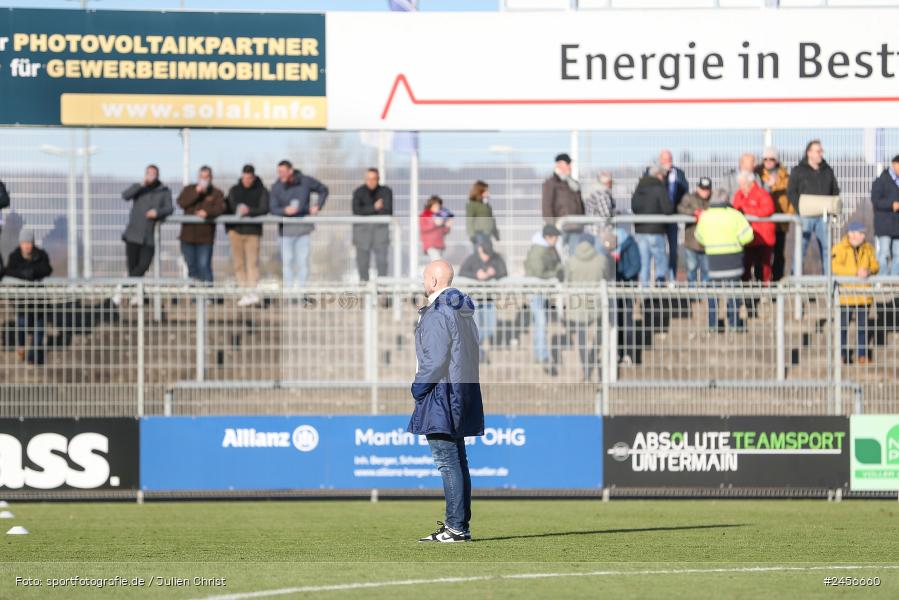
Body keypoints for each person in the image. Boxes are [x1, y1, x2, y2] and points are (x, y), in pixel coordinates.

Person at [411, 260, 484, 543]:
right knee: (458, 461)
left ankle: (455, 527)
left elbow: (435, 360)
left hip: (441, 394)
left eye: (424, 277)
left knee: (447, 462)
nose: (423, 282)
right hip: (460, 392)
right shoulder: (462, 311)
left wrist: (418, 389)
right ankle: (459, 526)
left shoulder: (439, 312)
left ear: (433, 281)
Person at [695, 190, 754, 331]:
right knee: (733, 294)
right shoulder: (735, 215)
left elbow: (699, 237)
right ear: (727, 200)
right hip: (733, 262)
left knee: (712, 295)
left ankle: (713, 325)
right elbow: (748, 236)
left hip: (713, 262)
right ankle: (734, 324)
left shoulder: (705, 216)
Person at [269, 159, 329, 289]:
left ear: (290, 171)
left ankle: (301, 292)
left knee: (303, 263)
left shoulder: (304, 181)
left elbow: (323, 189)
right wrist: (284, 210)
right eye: (279, 172)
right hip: (285, 232)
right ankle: (289, 294)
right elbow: (272, 208)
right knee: (287, 263)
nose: (281, 175)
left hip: (303, 230)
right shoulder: (276, 186)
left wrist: (317, 206)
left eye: (283, 172)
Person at [787, 140, 840, 275]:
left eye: (821, 151)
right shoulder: (799, 170)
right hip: (805, 216)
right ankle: (796, 282)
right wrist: (799, 208)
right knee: (801, 249)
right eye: (817, 151)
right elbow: (791, 192)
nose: (820, 154)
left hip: (823, 216)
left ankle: (828, 282)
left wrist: (831, 207)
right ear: (809, 153)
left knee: (827, 249)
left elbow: (835, 190)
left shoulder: (827, 170)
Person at [832, 221, 879, 364]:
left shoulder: (868, 248)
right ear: (851, 234)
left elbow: (875, 265)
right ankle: (842, 355)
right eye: (860, 233)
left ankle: (862, 355)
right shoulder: (839, 248)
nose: (863, 236)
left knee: (862, 328)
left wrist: (869, 271)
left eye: (863, 233)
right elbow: (836, 268)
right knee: (842, 328)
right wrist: (856, 273)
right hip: (846, 295)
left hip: (863, 295)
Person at [564, 239, 609, 382]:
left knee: (581, 338)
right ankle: (593, 359)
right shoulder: (601, 259)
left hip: (578, 303)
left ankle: (586, 369)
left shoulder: (571, 261)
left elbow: (567, 281)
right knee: (599, 333)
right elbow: (606, 277)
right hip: (596, 301)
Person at [6, 229, 52, 365]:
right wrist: (23, 274)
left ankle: (33, 357)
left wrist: (32, 272)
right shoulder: (14, 257)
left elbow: (47, 269)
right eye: (24, 243)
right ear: (20, 243)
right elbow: (9, 271)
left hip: (39, 300)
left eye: (29, 243)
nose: (27, 246)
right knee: (21, 324)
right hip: (22, 300)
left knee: (39, 328)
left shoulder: (40, 255)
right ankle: (21, 346)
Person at [225, 164, 269, 306]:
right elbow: (229, 207)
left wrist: (249, 211)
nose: (247, 180)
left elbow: (264, 208)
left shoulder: (261, 190)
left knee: (252, 264)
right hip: (236, 231)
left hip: (253, 232)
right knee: (238, 264)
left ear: (253, 177)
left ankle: (252, 293)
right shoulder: (234, 190)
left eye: (249, 178)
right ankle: (244, 293)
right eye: (245, 177)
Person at [459, 238, 507, 363]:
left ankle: (474, 347)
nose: (486, 257)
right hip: (474, 299)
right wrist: (476, 275)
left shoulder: (496, 258)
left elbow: (504, 272)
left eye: (488, 254)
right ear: (479, 249)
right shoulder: (472, 259)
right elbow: (462, 273)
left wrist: (494, 273)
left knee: (490, 329)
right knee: (476, 328)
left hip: (489, 300)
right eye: (485, 254)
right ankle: (478, 355)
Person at [524, 224, 563, 375]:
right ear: (548, 237)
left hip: (541, 291)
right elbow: (539, 272)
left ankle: (539, 354)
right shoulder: (539, 251)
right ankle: (543, 356)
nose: (556, 240)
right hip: (536, 291)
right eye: (555, 237)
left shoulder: (547, 249)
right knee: (541, 322)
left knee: (540, 322)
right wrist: (555, 273)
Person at [121, 164, 173, 278]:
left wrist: (157, 212)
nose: (151, 176)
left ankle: (125, 286)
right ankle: (137, 294)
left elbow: (169, 208)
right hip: (133, 235)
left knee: (144, 265)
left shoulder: (164, 191)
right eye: (148, 173)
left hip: (149, 237)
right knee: (133, 268)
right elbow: (125, 196)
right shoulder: (139, 188)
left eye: (153, 174)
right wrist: (140, 185)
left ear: (158, 175)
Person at [177, 165, 225, 284]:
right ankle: (195, 297)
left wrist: (207, 213)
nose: (204, 179)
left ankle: (208, 296)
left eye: (207, 177)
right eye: (202, 177)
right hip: (187, 236)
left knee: (204, 266)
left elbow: (221, 208)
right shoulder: (189, 189)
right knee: (192, 268)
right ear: (198, 177)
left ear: (211, 177)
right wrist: (196, 193)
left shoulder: (216, 193)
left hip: (205, 238)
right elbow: (181, 202)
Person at [756, 147, 793, 281]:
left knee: (778, 255)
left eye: (771, 159)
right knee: (761, 256)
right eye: (765, 159)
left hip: (780, 222)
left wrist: (789, 214)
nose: (768, 161)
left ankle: (777, 284)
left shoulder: (785, 176)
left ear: (776, 160)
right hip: (763, 222)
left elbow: (790, 198)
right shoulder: (757, 174)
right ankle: (761, 284)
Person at [732, 171, 776, 284]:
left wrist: (746, 211)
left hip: (763, 237)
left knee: (763, 268)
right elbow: (736, 210)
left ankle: (765, 292)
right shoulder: (739, 194)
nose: (741, 186)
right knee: (745, 267)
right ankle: (747, 294)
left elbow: (768, 209)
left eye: (743, 184)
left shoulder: (762, 194)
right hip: (747, 237)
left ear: (750, 183)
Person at [631, 164, 672, 285]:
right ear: (659, 175)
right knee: (660, 263)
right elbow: (668, 209)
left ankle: (644, 296)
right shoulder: (659, 188)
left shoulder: (639, 188)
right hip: (656, 230)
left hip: (640, 231)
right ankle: (659, 294)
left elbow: (634, 207)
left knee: (644, 265)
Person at [351, 168, 393, 282]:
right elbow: (356, 210)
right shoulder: (358, 192)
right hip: (362, 234)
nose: (371, 181)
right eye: (368, 179)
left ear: (378, 179)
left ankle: (383, 291)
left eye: (374, 179)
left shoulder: (386, 192)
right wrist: (374, 208)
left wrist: (366, 211)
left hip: (380, 233)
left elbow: (387, 211)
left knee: (382, 262)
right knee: (362, 264)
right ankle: (364, 290)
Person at [542, 153, 585, 255]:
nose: (570, 166)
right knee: (560, 256)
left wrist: (582, 221)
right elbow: (546, 206)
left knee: (574, 255)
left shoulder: (573, 184)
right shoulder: (551, 183)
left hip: (576, 227)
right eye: (568, 163)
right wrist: (551, 227)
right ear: (559, 164)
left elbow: (580, 204)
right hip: (560, 227)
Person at [612, 226, 640, 365]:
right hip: (615, 289)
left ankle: (628, 355)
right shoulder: (612, 246)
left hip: (627, 288)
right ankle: (617, 352)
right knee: (616, 320)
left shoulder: (630, 245)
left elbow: (636, 265)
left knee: (627, 321)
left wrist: (623, 279)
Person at [659, 149, 688, 279]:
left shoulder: (679, 173)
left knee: (673, 250)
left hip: (674, 216)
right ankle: (659, 281)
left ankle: (672, 279)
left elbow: (685, 191)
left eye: (669, 159)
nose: (667, 162)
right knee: (658, 250)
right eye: (664, 160)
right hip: (658, 218)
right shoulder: (655, 173)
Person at [677, 177, 712, 284]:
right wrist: (694, 212)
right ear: (698, 188)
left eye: (707, 189)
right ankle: (692, 296)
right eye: (702, 189)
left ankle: (706, 295)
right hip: (691, 241)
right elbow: (680, 208)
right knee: (691, 269)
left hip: (707, 242)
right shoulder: (689, 198)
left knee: (707, 270)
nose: (704, 192)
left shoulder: (713, 199)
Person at [870, 155, 899, 277]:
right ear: (894, 164)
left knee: (898, 254)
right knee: (884, 253)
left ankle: (893, 281)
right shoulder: (881, 180)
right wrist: (891, 205)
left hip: (897, 226)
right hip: (884, 225)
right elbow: (875, 200)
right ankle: (882, 280)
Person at [465, 180, 499, 252]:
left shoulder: (487, 205)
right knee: (480, 257)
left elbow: (492, 220)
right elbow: (469, 221)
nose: (488, 193)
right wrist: (472, 235)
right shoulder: (472, 205)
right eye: (486, 191)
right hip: (479, 235)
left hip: (487, 235)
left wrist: (496, 234)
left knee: (488, 257)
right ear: (480, 191)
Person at [584, 171, 616, 244]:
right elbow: (606, 214)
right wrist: (616, 213)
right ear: (607, 182)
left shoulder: (594, 192)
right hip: (600, 231)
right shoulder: (602, 194)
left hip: (593, 229)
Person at [419, 196, 452, 261]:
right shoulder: (424, 215)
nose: (437, 208)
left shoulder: (440, 216)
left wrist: (447, 226)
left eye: (439, 206)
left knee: (437, 262)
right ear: (430, 205)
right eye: (435, 206)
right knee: (437, 261)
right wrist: (434, 223)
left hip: (439, 244)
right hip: (430, 245)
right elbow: (423, 228)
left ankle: (433, 270)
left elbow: (444, 231)